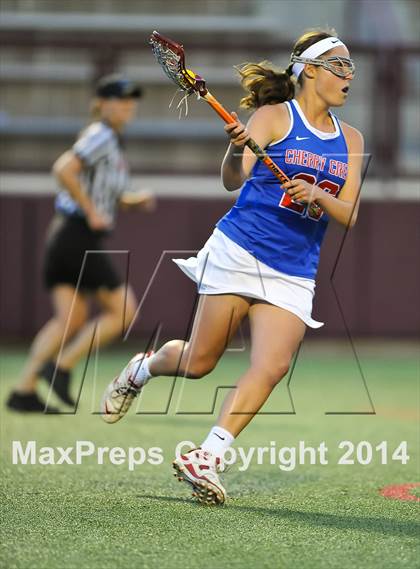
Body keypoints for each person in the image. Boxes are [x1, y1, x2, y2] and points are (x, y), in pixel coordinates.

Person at [100, 29, 364, 505]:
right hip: (241, 249)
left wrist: (320, 195)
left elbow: (349, 213)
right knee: (200, 362)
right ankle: (142, 369)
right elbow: (233, 179)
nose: (349, 76)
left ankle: (207, 456)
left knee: (273, 365)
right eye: (339, 66)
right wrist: (235, 146)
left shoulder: (351, 139)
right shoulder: (272, 116)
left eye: (350, 67)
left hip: (294, 268)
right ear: (309, 71)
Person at [7, 74, 155, 413]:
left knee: (68, 319)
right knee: (124, 311)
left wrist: (130, 201)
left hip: (66, 234)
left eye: (131, 100)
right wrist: (91, 211)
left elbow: (101, 192)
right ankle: (61, 366)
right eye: (120, 99)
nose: (128, 106)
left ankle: (23, 390)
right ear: (101, 103)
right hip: (76, 234)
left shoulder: (110, 141)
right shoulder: (101, 134)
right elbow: (64, 169)